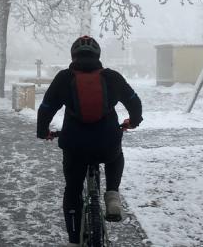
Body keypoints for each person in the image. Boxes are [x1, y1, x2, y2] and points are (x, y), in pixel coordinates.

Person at [36, 35, 143, 247]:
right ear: (98, 55)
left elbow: (46, 108)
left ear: (73, 55)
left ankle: (75, 239)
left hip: (75, 146)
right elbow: (134, 101)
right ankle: (112, 194)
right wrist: (133, 121)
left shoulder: (64, 78)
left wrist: (43, 131)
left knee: (73, 190)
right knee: (115, 157)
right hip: (107, 142)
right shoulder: (112, 77)